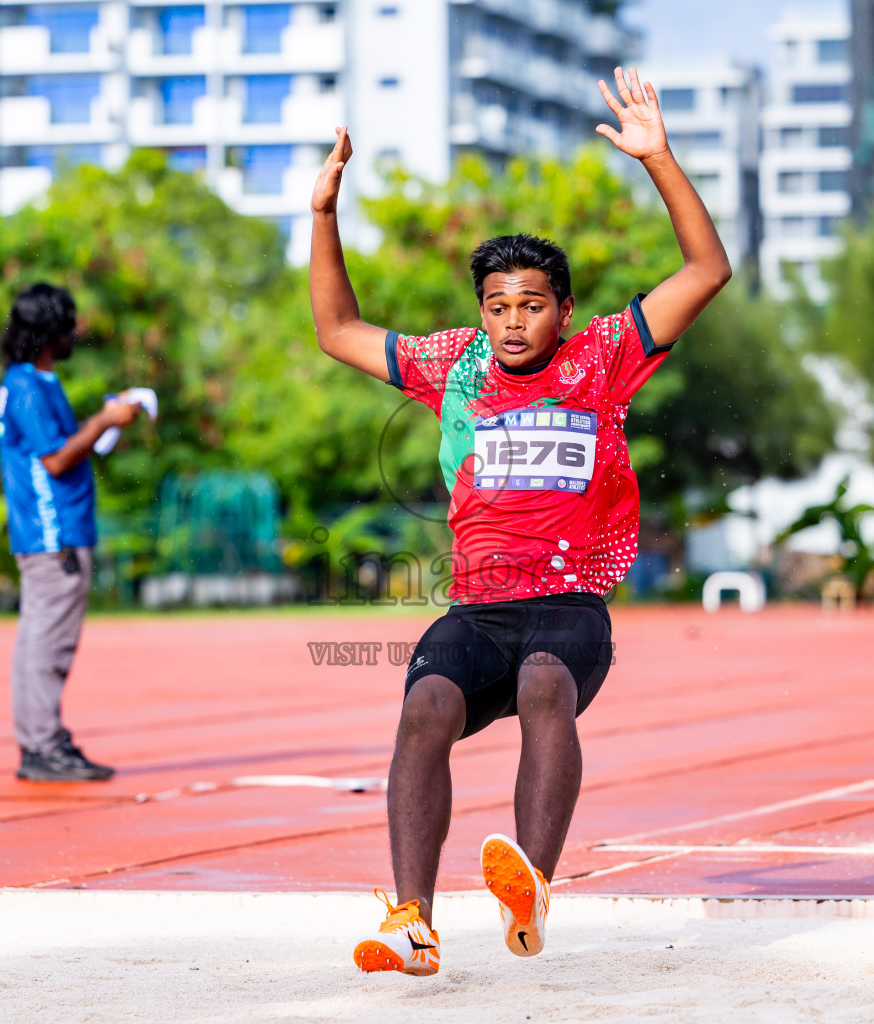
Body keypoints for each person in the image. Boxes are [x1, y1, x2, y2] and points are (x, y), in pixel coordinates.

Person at [308, 67, 731, 975]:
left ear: (563, 311)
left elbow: (707, 269)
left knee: (546, 688)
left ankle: (531, 885)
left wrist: (659, 160)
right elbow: (337, 329)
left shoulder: (606, 355)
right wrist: (322, 214)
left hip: (570, 608)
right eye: (497, 306)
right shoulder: (455, 365)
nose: (511, 322)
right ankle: (412, 922)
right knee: (423, 706)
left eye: (531, 304)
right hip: (480, 609)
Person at [0, 283, 141, 782]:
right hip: (53, 535)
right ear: (48, 332)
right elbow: (56, 458)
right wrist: (104, 420)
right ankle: (41, 746)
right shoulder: (27, 388)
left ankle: (42, 741)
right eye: (68, 322)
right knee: (46, 644)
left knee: (40, 640)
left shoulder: (35, 382)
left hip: (54, 532)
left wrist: (104, 422)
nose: (76, 331)